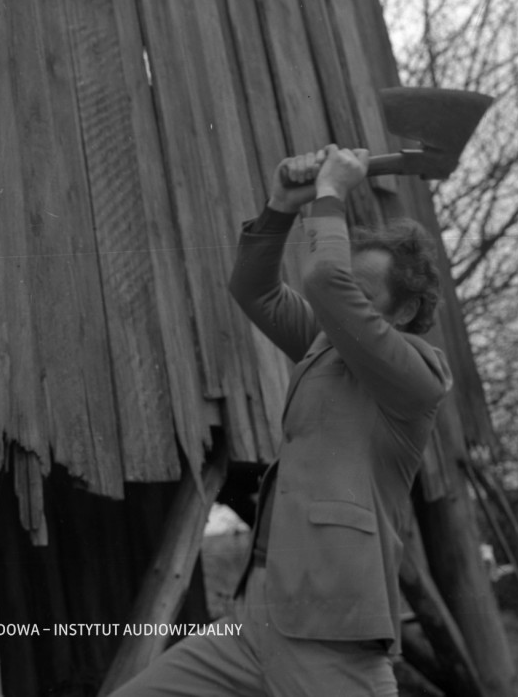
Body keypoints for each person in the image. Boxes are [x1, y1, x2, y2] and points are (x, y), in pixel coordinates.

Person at [108, 144, 451, 696]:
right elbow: (255, 289)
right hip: (255, 619)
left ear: (405, 310)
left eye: (361, 296)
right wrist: (282, 205)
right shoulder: (326, 346)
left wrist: (331, 193)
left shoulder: (417, 375)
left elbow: (325, 281)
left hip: (330, 628)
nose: (343, 307)